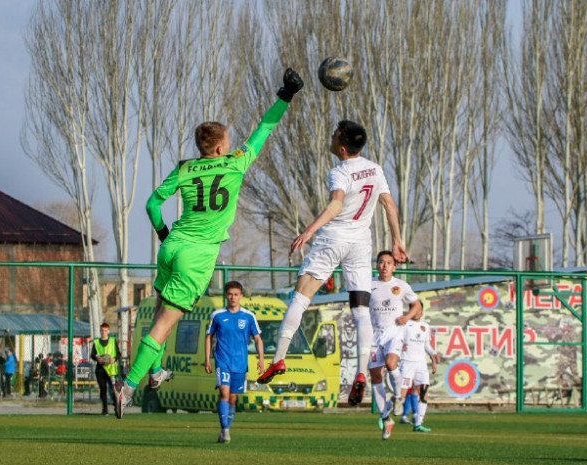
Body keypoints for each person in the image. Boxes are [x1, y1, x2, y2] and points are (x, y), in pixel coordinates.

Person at [114, 68, 303, 419]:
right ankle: (127, 386)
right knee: (163, 325)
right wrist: (285, 96)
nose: (231, 146)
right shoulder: (234, 164)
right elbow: (263, 130)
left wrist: (164, 234)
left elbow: (152, 204)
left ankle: (154, 372)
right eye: (228, 142)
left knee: (160, 314)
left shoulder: (185, 169)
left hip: (172, 247)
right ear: (219, 147)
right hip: (197, 255)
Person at [258, 120, 409, 408]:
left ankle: (278, 360)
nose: (330, 134)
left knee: (300, 299)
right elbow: (389, 204)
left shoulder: (339, 172)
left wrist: (309, 231)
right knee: (361, 311)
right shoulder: (375, 169)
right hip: (360, 245)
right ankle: (362, 372)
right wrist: (397, 240)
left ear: (341, 146)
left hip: (332, 239)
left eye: (334, 133)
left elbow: (336, 204)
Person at [204, 281, 264, 444]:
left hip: (240, 363)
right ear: (226, 295)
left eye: (236, 294)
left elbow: (257, 338)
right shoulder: (217, 315)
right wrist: (207, 359)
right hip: (222, 361)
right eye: (230, 294)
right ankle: (225, 429)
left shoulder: (248, 316)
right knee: (223, 393)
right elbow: (209, 336)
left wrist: (261, 359)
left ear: (241, 296)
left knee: (232, 399)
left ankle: (225, 429)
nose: (233, 297)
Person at [368, 250, 420, 424]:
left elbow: (416, 304)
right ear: (376, 265)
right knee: (375, 376)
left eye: (388, 263)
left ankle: (398, 397)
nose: (385, 266)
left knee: (391, 363)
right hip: (374, 334)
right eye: (381, 262)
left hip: (395, 332)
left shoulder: (401, 285)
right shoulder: (369, 284)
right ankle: (384, 416)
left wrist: (407, 317)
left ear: (394, 267)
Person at [384, 302, 439, 438]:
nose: (417, 312)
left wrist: (433, 354)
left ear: (422, 312)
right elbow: (395, 340)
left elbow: (427, 345)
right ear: (411, 311)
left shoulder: (425, 326)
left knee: (424, 392)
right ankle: (384, 415)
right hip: (406, 363)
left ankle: (418, 424)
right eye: (415, 309)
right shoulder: (404, 324)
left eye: (419, 310)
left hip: (421, 364)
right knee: (400, 395)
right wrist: (399, 345)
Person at [90, 322, 121, 415]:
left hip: (111, 370)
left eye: (105, 330)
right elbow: (92, 355)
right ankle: (105, 409)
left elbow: (119, 354)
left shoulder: (113, 341)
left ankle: (117, 408)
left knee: (113, 389)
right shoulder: (96, 342)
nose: (103, 332)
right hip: (100, 369)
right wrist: (97, 358)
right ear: (100, 331)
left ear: (108, 331)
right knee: (103, 389)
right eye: (102, 330)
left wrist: (114, 359)